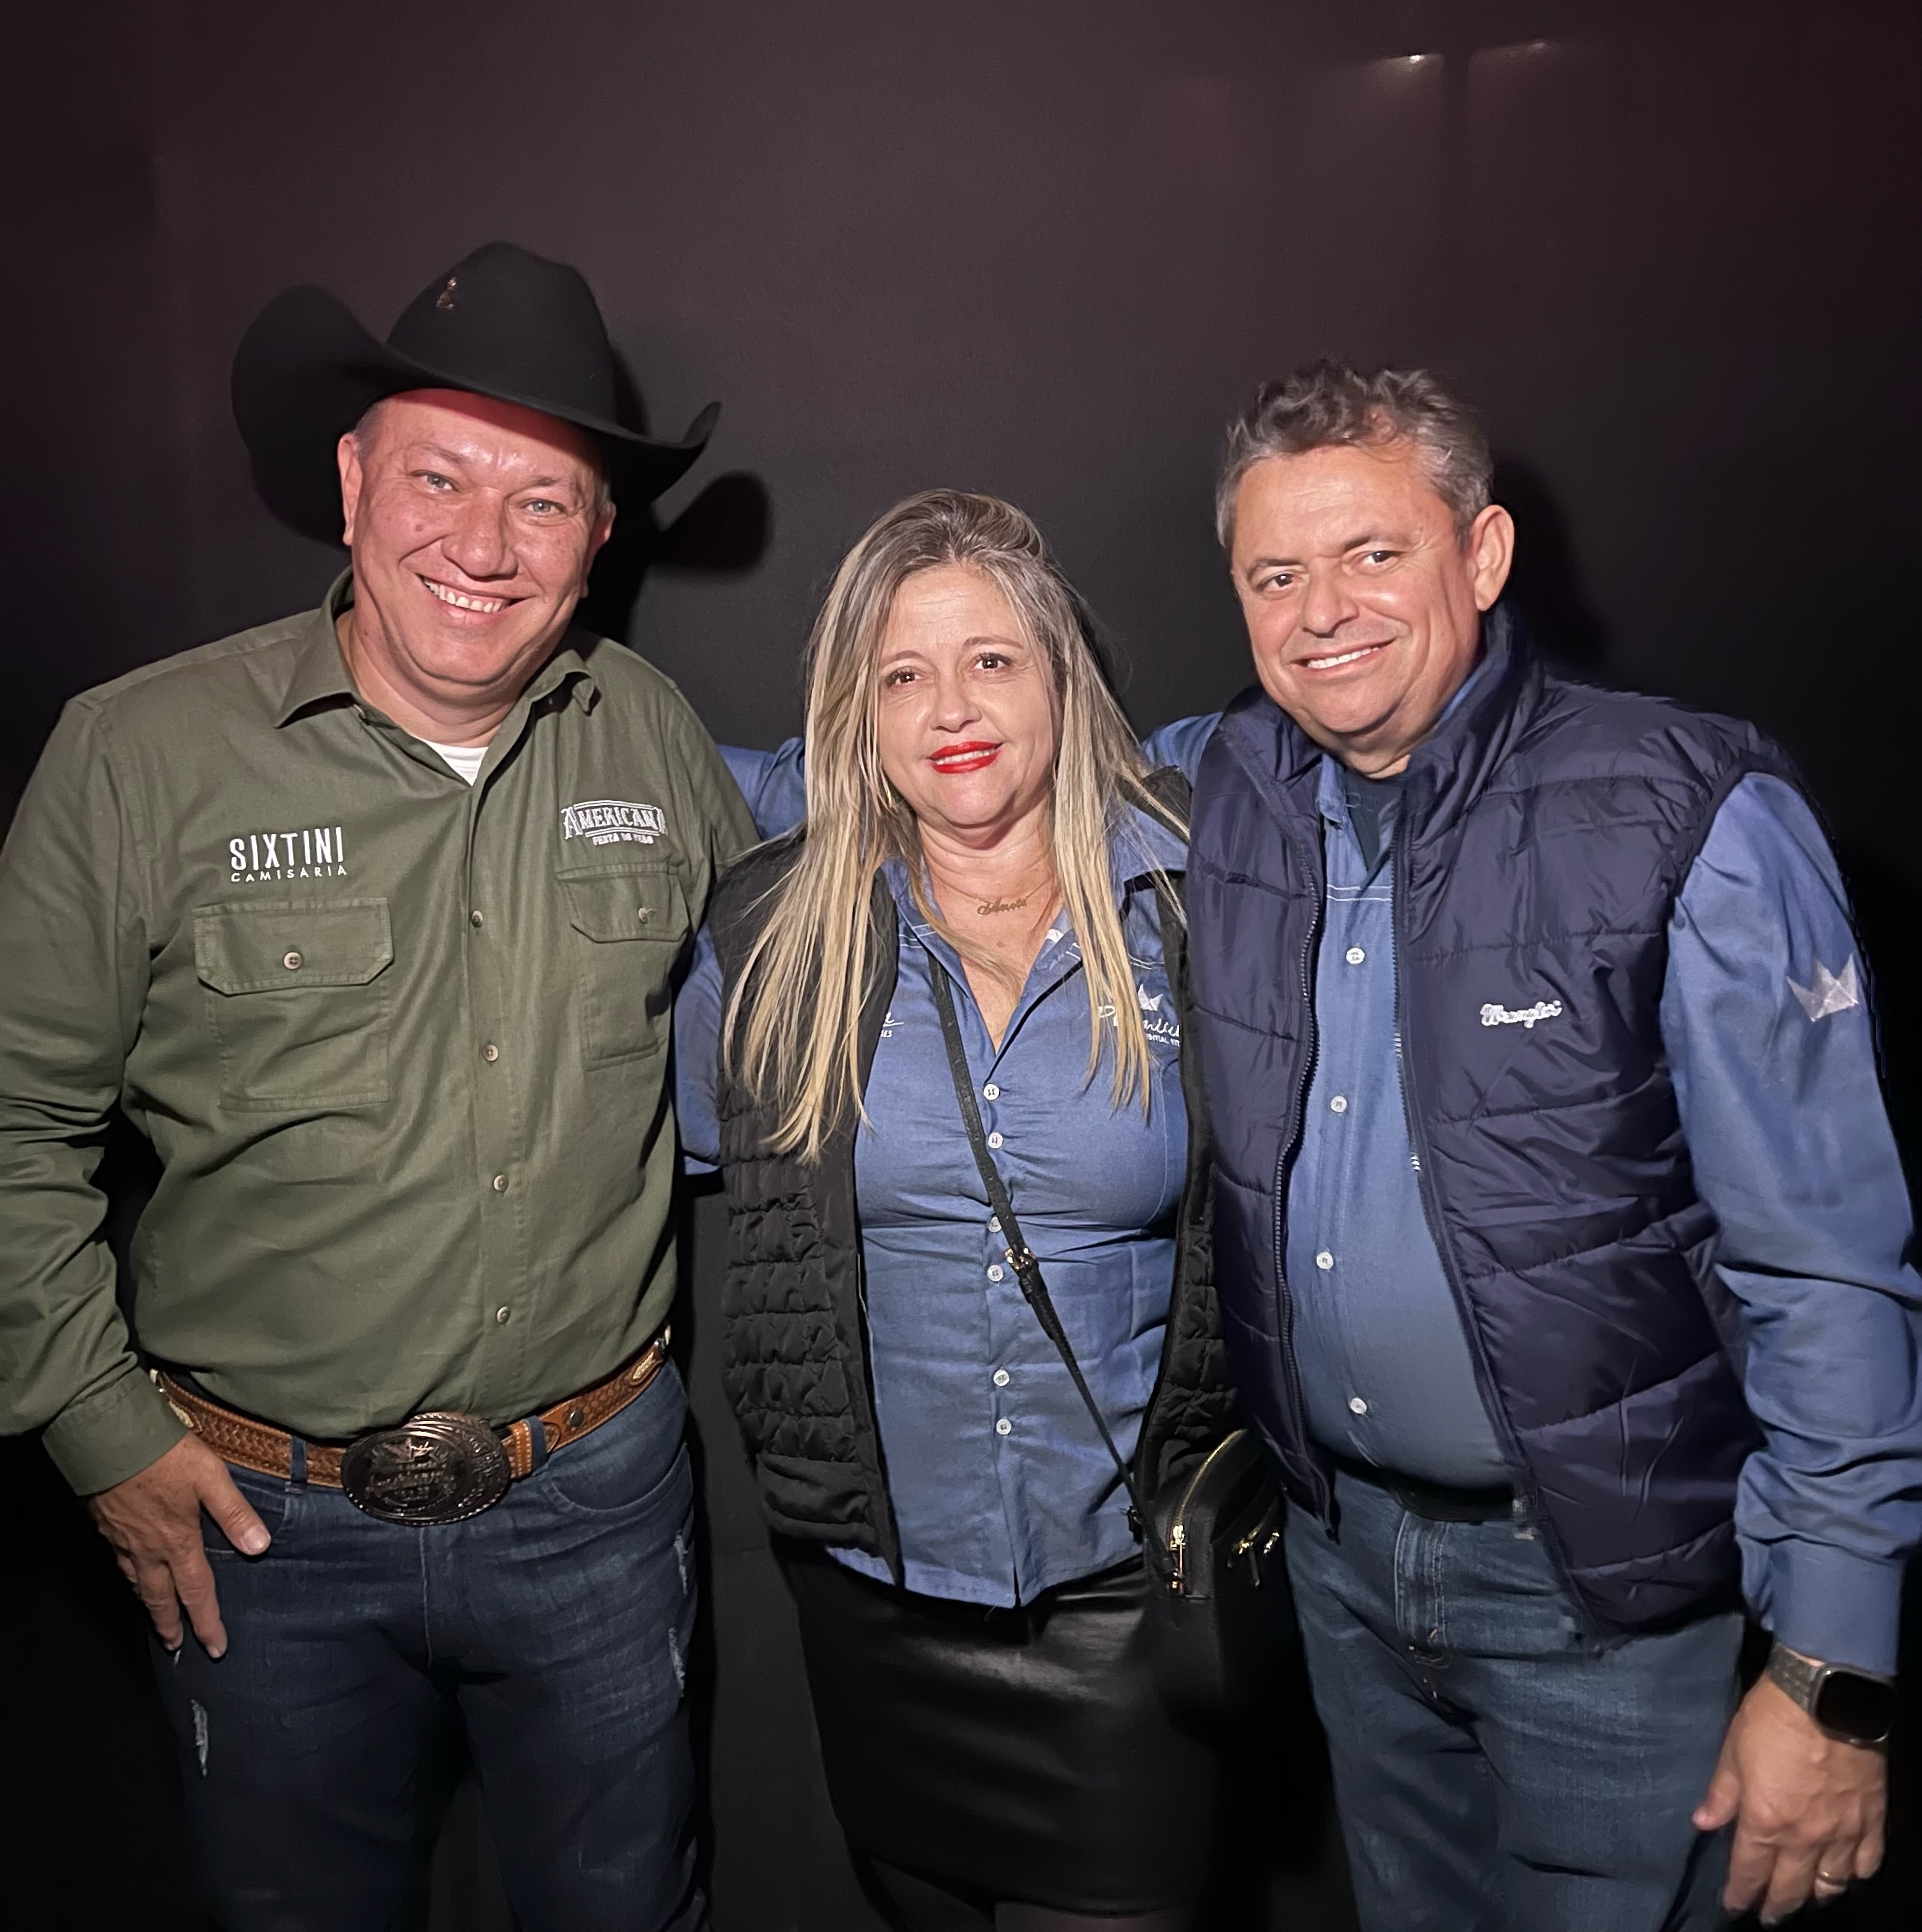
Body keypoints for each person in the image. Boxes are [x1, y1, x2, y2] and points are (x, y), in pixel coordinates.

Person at [0, 242, 755, 1931]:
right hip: (262, 1532)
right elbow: (9, 1122)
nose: (484, 546)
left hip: (597, 1502)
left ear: (600, 535)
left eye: (543, 499)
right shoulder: (139, 759)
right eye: (439, 477)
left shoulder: (647, 732)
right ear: (352, 484)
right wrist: (98, 1429)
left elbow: (800, 975)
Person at [1180, 357, 1922, 1930]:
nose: (1323, 611)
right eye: (1276, 574)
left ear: (1484, 553)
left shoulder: (1685, 808)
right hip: (1340, 1565)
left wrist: (1834, 1672)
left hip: (1600, 1598)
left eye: (1373, 552)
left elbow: (1830, 1264)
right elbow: (992, 763)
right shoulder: (1231, 782)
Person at [676, 489, 1236, 1932]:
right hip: (876, 1603)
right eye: (902, 675)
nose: (952, 711)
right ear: (854, 715)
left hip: (1128, 1601)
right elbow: (669, 1171)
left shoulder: (1193, 903)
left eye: (992, 660)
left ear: (1061, 676)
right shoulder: (770, 937)